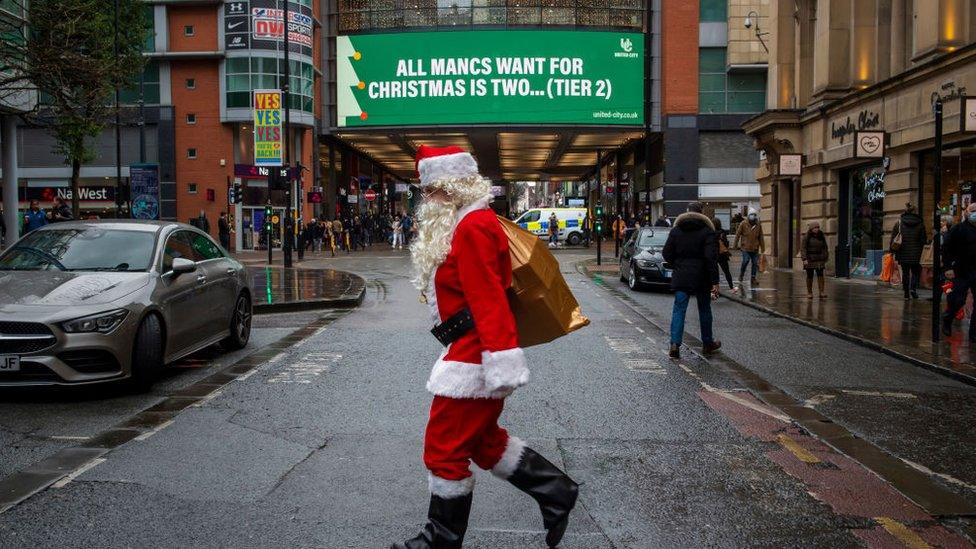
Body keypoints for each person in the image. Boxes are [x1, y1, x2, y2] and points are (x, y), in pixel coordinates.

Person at [394, 145, 577, 549]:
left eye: (431, 190)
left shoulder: (474, 226)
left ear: (452, 187)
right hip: (471, 350)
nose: (426, 199)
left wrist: (500, 361)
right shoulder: (465, 222)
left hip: (475, 358)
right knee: (482, 441)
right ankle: (556, 492)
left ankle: (440, 539)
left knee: (443, 448)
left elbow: (489, 298)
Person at [663, 202, 721, 359]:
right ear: (701, 213)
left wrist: (677, 264)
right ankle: (707, 343)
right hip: (702, 276)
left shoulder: (676, 230)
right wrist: (715, 281)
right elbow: (711, 258)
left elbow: (666, 253)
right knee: (704, 309)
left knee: (679, 309)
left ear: (687, 212)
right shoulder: (707, 231)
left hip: (682, 275)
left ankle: (675, 344)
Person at [942, 202, 976, 342]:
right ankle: (948, 318)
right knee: (958, 300)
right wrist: (948, 267)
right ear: (967, 213)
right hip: (961, 270)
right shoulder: (959, 229)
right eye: (973, 210)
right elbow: (946, 248)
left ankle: (973, 334)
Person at [891, 204, 926, 299]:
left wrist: (892, 252)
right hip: (916, 253)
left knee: (905, 273)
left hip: (903, 252)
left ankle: (906, 293)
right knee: (915, 271)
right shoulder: (920, 223)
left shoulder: (899, 223)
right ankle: (913, 288)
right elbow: (923, 240)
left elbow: (893, 238)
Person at [733, 208, 765, 288]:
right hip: (745, 248)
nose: (753, 216)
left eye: (754, 215)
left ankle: (753, 278)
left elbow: (761, 237)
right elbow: (737, 235)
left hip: (755, 248)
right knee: (745, 261)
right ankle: (741, 274)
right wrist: (735, 245)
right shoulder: (743, 224)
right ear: (748, 215)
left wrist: (763, 248)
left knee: (755, 263)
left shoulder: (758, 225)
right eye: (751, 215)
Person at [800, 221, 829, 300]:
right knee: (810, 275)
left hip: (819, 259)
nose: (817, 229)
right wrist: (804, 259)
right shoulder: (807, 236)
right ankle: (809, 292)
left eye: (818, 227)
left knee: (820, 274)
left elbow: (825, 247)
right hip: (810, 259)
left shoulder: (821, 236)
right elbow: (803, 248)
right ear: (811, 229)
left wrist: (825, 256)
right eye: (815, 228)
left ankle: (821, 292)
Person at [712, 217, 734, 291]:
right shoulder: (723, 232)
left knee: (715, 272)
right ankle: (731, 287)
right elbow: (726, 243)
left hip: (714, 255)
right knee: (727, 272)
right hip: (722, 255)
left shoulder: (711, 232)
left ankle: (715, 289)